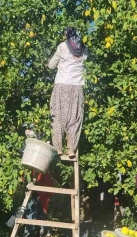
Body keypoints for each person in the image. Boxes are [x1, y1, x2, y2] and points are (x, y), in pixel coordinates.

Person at [47, 26, 89, 159]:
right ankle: (71, 149)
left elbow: (51, 65)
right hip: (77, 88)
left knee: (58, 116)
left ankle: (58, 147)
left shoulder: (62, 47)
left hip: (61, 86)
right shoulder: (84, 49)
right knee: (75, 118)